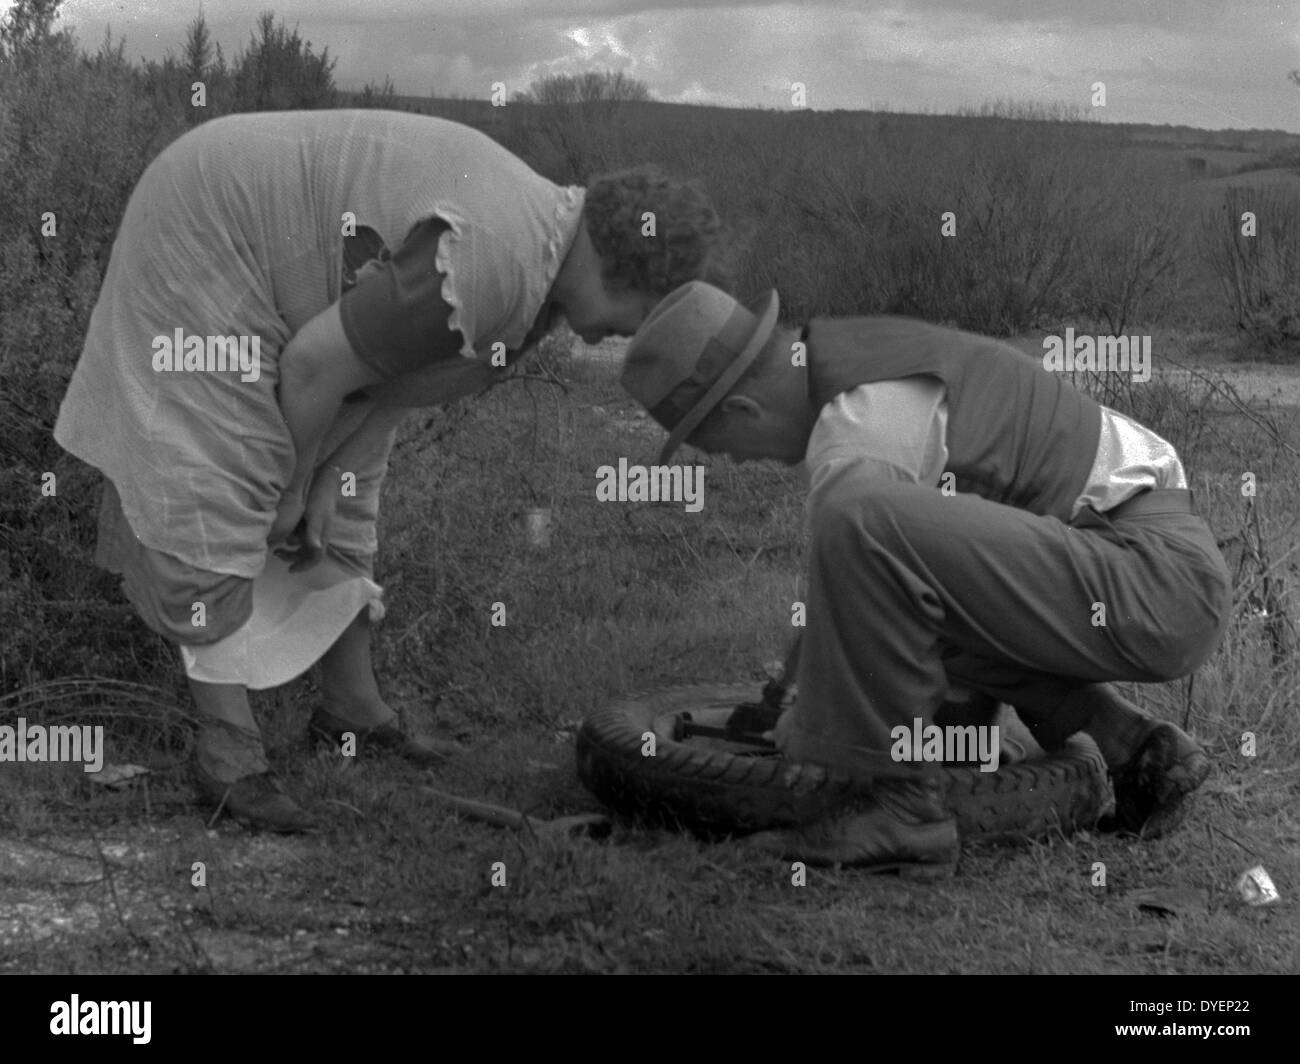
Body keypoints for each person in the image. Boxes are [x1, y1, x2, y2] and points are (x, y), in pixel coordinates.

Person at [54, 109, 727, 833]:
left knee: (345, 501)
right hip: (210, 225)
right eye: (645, 308)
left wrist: (321, 480)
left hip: (283, 272)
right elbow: (313, 367)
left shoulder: (543, 269)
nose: (637, 331)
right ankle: (228, 753)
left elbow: (383, 382)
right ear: (618, 263)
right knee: (220, 474)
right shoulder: (492, 261)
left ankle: (351, 711)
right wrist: (287, 486)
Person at [619, 281, 1231, 876]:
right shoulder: (864, 364)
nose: (737, 461)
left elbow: (855, 561)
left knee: (858, 523)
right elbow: (896, 586)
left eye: (721, 446)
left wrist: (807, 720)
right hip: (1145, 569)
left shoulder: (859, 422)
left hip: (1156, 583)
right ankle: (1133, 747)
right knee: (901, 583)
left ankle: (901, 810)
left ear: (741, 408)